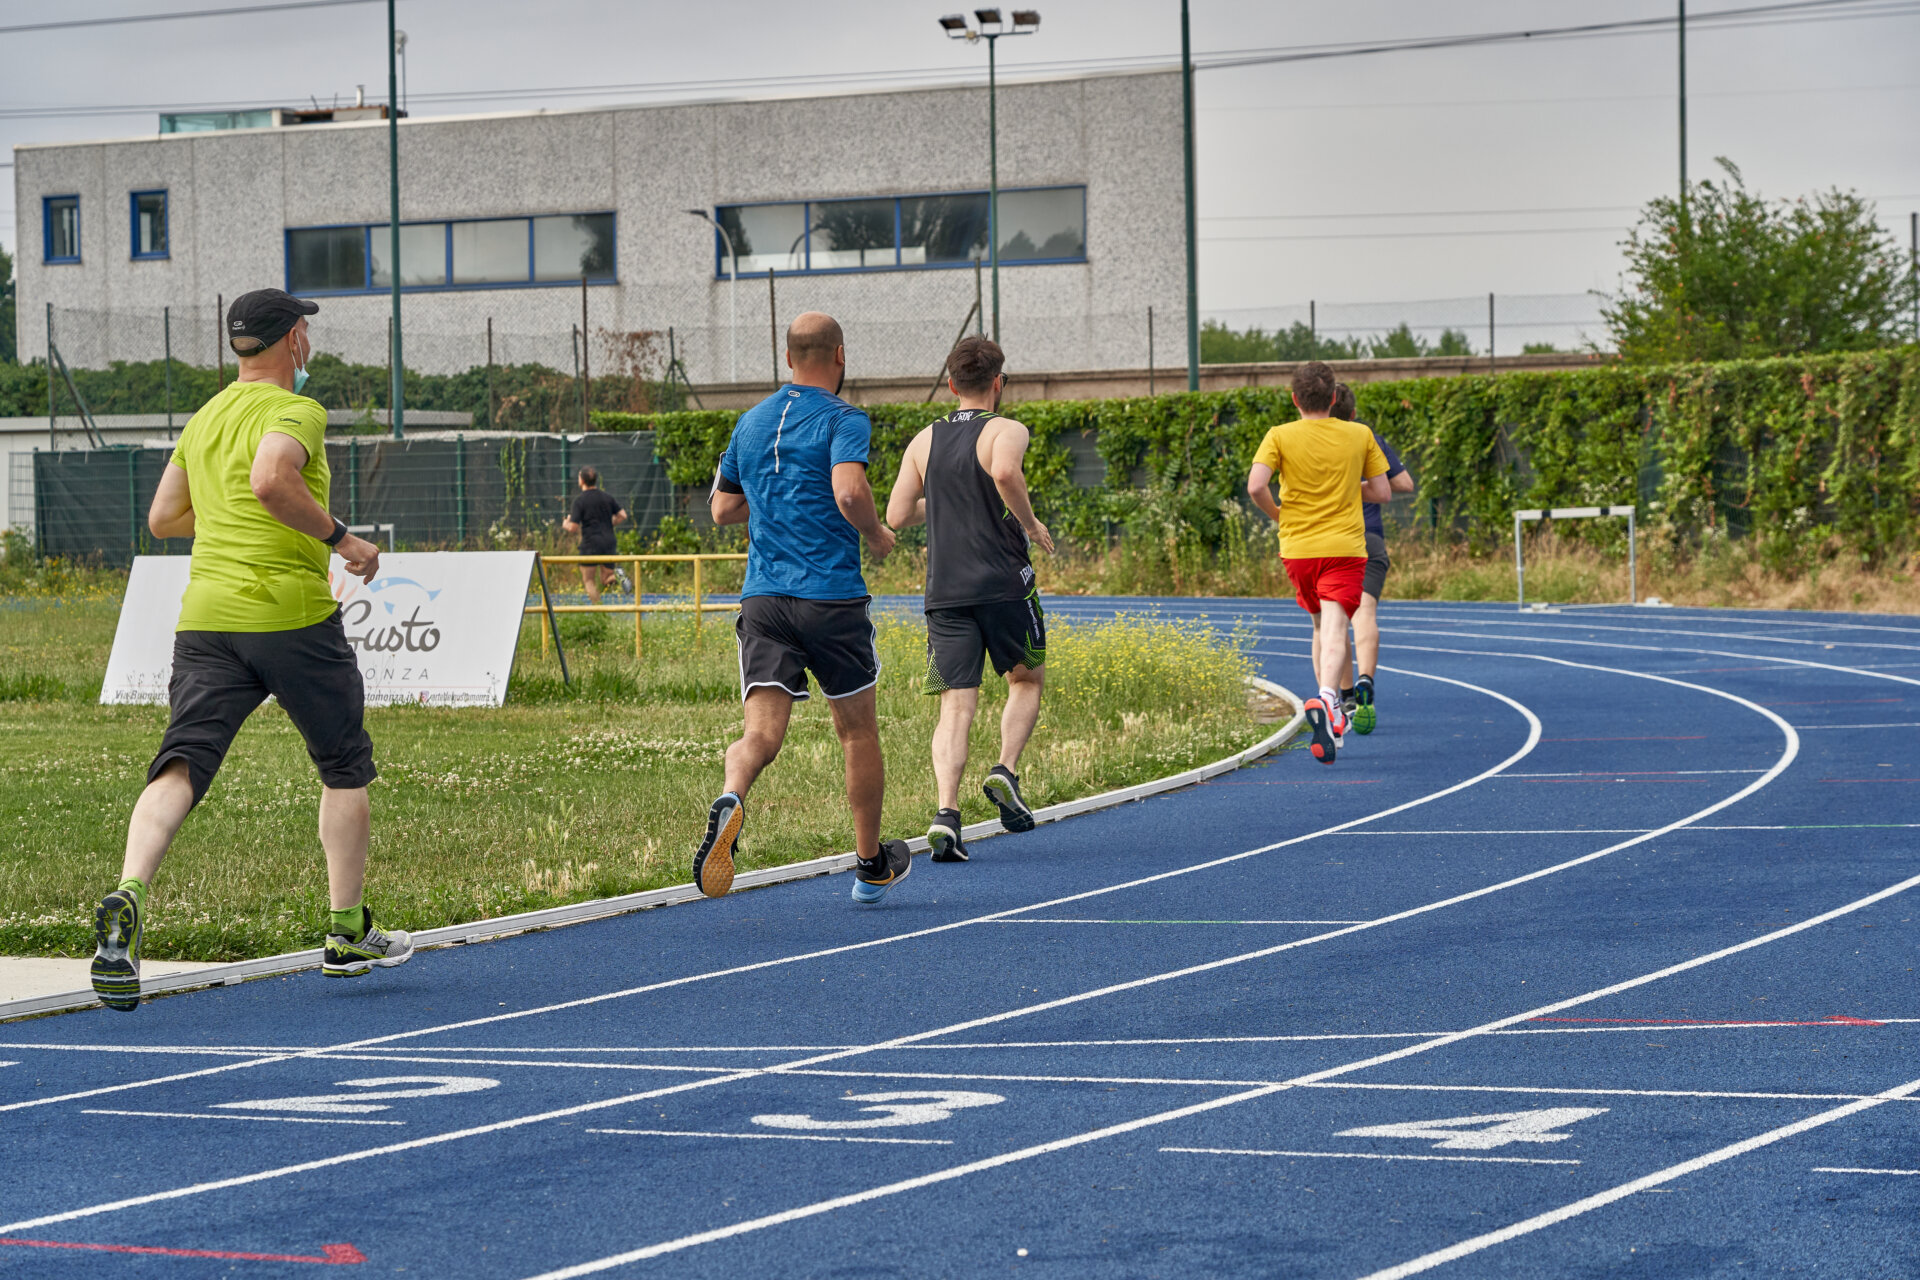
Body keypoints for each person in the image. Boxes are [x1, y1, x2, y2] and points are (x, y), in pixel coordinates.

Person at [92, 289, 407, 1013]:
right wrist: (341, 538)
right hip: (289, 614)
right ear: (295, 338)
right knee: (343, 765)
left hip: (205, 619)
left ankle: (129, 888)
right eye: (307, 334)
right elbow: (270, 478)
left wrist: (228, 507)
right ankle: (345, 931)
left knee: (182, 760)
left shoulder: (204, 416)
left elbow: (164, 517)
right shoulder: (296, 409)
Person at [695, 312, 910, 903]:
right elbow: (848, 490)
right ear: (839, 356)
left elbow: (721, 509)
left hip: (763, 599)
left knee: (760, 735)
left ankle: (732, 797)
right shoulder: (845, 418)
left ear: (788, 359)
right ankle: (870, 866)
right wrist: (875, 535)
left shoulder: (750, 422)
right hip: (831, 598)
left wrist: (774, 504)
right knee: (856, 731)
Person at [886, 336, 1055, 863]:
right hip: (1004, 581)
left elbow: (895, 515)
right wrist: (1030, 523)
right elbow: (1004, 472)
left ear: (952, 384)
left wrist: (942, 501)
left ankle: (946, 813)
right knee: (1025, 679)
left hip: (947, 590)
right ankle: (1004, 770)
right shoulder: (1007, 429)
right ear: (999, 384)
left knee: (956, 706)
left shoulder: (923, 441)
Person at [1245, 361, 1391, 765]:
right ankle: (1329, 699)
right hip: (1344, 546)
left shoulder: (1278, 435)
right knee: (1336, 627)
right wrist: (1348, 485)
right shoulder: (1359, 434)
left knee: (1319, 627)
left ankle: (1334, 718)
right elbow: (1382, 491)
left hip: (1298, 548)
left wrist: (1278, 513)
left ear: (1294, 399)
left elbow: (1256, 486)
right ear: (1332, 398)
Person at [1330, 382, 1415, 734]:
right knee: (1365, 612)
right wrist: (1368, 484)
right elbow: (1405, 484)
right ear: (1352, 413)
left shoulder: (1308, 439)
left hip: (1330, 540)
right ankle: (1366, 678)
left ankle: (1346, 695)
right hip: (1369, 536)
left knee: (1335, 620)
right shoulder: (1367, 437)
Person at [562, 467, 628, 603]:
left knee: (589, 580)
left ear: (581, 480)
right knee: (606, 578)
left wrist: (565, 523)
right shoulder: (607, 497)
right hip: (608, 541)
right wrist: (610, 524)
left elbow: (573, 528)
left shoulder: (580, 501)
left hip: (590, 543)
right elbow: (622, 515)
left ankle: (598, 610)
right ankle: (615, 577)